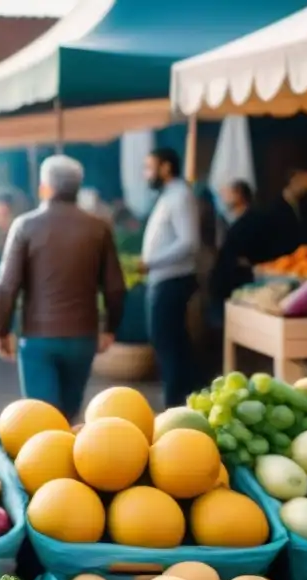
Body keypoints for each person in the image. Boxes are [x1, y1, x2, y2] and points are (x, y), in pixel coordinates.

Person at [0, 156, 125, 421]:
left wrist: (2, 330)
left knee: (42, 421)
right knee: (69, 416)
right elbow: (115, 287)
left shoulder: (25, 226)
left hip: (38, 338)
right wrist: (110, 328)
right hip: (83, 337)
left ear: (45, 188)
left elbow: (7, 286)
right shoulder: (99, 227)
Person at [141, 147, 201, 409]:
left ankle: (176, 405)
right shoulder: (170, 195)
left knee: (170, 345)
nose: (146, 173)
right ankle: (179, 402)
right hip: (163, 280)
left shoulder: (180, 195)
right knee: (170, 343)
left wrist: (151, 261)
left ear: (166, 167)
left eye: (149, 167)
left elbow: (189, 242)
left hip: (172, 281)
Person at [210, 180, 264, 323]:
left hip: (238, 290)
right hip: (226, 290)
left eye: (228, 192)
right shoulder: (233, 222)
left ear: (239, 195)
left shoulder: (251, 223)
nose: (223, 196)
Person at [263, 168, 307, 260]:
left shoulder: (306, 206)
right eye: (303, 181)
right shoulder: (274, 207)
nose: (306, 187)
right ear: (293, 179)